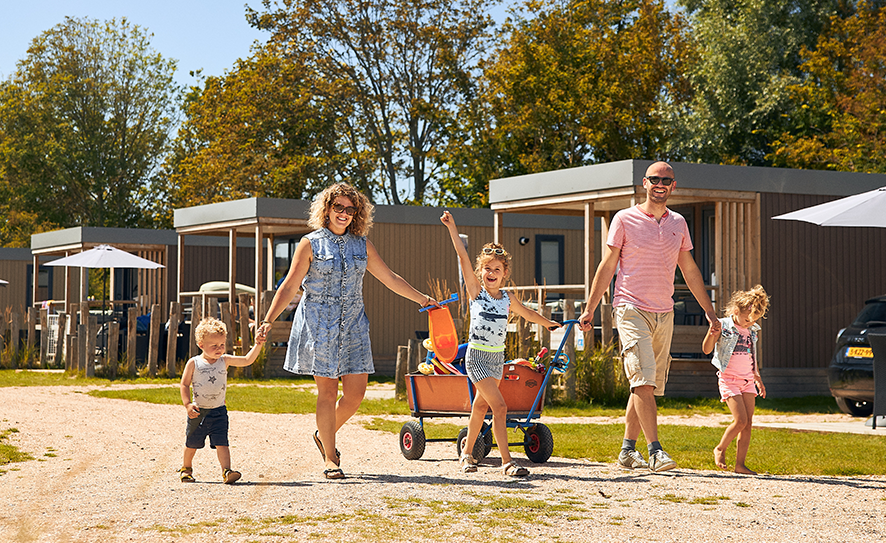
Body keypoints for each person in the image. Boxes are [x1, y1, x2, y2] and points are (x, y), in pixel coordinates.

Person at [256, 183, 436, 480]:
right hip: (319, 324)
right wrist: (268, 320)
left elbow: (389, 277)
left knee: (355, 394)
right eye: (338, 207)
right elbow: (289, 285)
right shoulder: (310, 243)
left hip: (353, 324)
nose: (343, 214)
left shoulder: (362, 244)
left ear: (357, 214)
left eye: (350, 210)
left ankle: (323, 434)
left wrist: (422, 299)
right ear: (326, 209)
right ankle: (330, 457)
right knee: (327, 391)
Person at [579, 161, 721, 472]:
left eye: (666, 180)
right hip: (630, 308)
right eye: (654, 179)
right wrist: (590, 307)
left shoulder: (678, 224)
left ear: (673, 186)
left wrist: (710, 311)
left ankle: (627, 451)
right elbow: (607, 266)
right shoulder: (624, 219)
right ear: (644, 183)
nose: (660, 184)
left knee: (647, 386)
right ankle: (655, 450)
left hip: (664, 312)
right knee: (642, 380)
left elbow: (690, 270)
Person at [440, 211, 560, 478]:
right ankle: (507, 462)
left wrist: (549, 324)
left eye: (497, 269)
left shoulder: (508, 299)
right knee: (501, 407)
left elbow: (528, 313)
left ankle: (467, 455)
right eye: (487, 268)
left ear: (505, 274)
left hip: (497, 359)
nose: (491, 273)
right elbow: (462, 257)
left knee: (480, 408)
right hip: (477, 359)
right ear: (480, 272)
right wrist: (452, 227)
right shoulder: (476, 293)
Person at [178, 316, 266, 485]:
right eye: (214, 346)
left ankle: (226, 471)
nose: (219, 349)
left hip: (219, 411)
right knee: (192, 443)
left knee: (222, 443)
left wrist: (258, 344)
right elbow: (184, 384)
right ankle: (186, 468)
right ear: (201, 345)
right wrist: (187, 404)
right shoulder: (194, 363)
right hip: (198, 412)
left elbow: (247, 360)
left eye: (222, 345)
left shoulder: (224, 360)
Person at [701, 285, 770, 475]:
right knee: (740, 420)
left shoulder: (752, 330)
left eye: (753, 321)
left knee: (748, 423)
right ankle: (721, 448)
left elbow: (751, 355)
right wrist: (711, 333)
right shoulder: (722, 325)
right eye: (747, 319)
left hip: (748, 379)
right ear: (735, 311)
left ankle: (740, 465)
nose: (749, 323)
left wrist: (757, 377)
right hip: (729, 379)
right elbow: (707, 349)